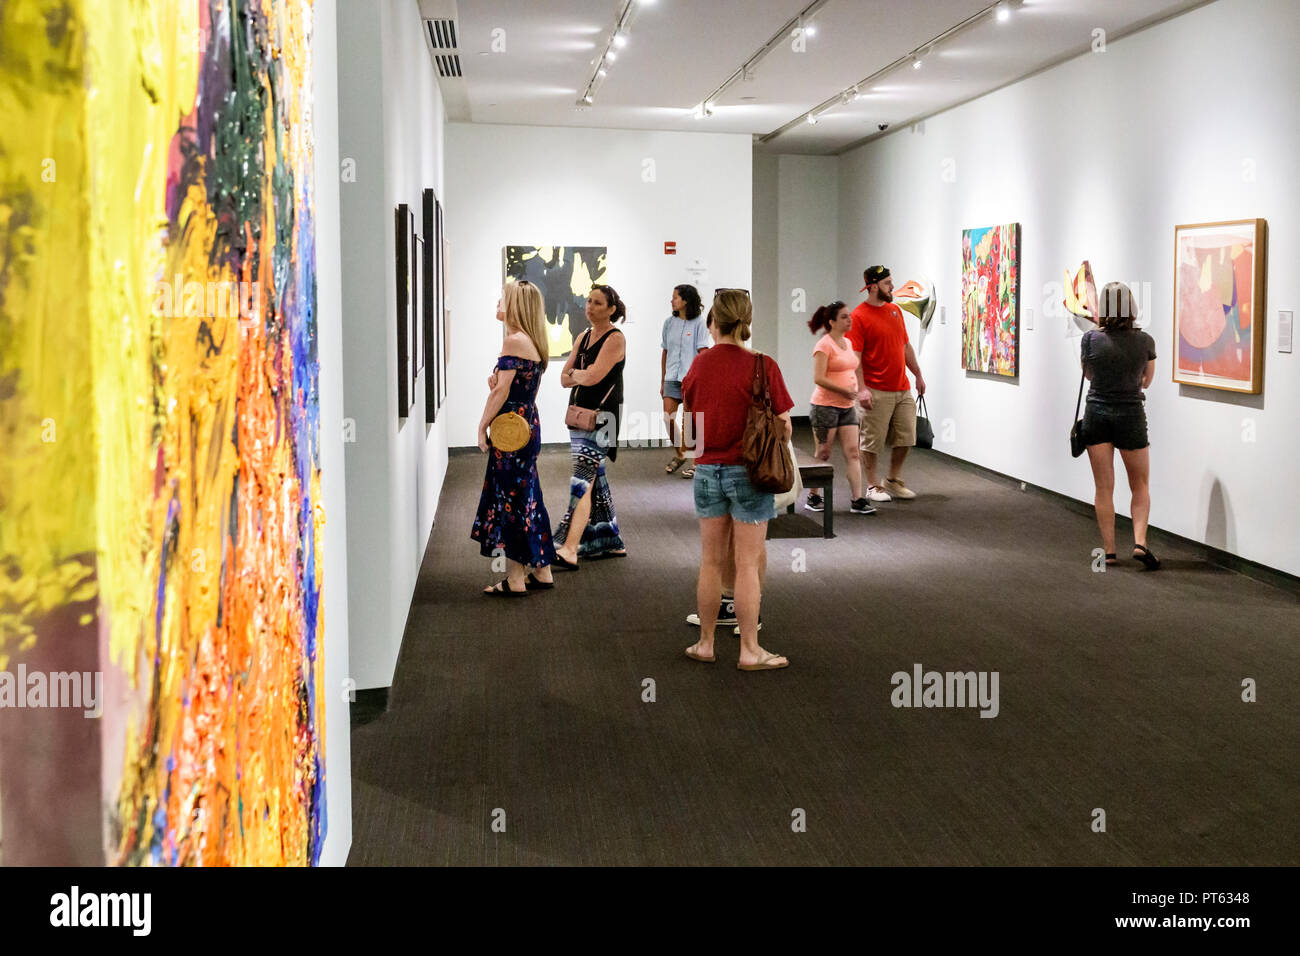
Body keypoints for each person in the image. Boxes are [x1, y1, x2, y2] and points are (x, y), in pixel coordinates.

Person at [682, 289, 791, 671]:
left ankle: (706, 643)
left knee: (711, 562)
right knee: (746, 564)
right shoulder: (763, 365)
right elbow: (784, 425)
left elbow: (691, 431)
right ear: (748, 319)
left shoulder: (698, 366)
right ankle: (749, 649)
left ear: (714, 318)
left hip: (707, 471)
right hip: (750, 473)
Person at [470, 280, 556, 595]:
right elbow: (509, 387)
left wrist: (482, 425)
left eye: (502, 299)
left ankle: (516, 577)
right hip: (526, 423)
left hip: (510, 431)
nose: (497, 304)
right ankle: (542, 569)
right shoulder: (532, 340)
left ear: (516, 305)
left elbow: (503, 392)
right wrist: (496, 384)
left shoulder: (514, 340)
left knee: (509, 500)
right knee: (528, 495)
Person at [1081, 282, 1159, 569]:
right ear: (1131, 305)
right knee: (1139, 485)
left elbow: (1089, 374)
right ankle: (1140, 543)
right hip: (1131, 416)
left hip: (1097, 414)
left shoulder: (1090, 340)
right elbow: (1146, 381)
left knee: (1104, 487)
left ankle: (1109, 551)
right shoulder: (1146, 341)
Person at [552, 284, 628, 568]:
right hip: (579, 416)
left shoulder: (615, 338)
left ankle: (570, 547)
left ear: (611, 309)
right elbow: (563, 377)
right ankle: (609, 540)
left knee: (582, 480)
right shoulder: (583, 336)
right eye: (588, 301)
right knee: (594, 478)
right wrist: (578, 375)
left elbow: (595, 377)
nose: (590, 306)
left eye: (597, 303)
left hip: (603, 418)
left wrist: (577, 374)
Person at [849, 265, 927, 502]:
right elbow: (855, 357)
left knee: (906, 436)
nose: (892, 287)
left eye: (891, 282)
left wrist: (918, 375)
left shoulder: (895, 311)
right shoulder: (858, 316)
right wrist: (861, 389)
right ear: (872, 287)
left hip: (901, 388)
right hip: (874, 389)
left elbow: (905, 346)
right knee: (871, 441)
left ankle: (892, 480)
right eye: (887, 283)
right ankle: (873, 485)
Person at [805, 300, 872, 515]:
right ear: (831, 322)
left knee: (853, 452)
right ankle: (813, 495)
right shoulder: (824, 345)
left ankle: (858, 499)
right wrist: (844, 390)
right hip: (825, 407)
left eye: (849, 316)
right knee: (823, 452)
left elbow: (853, 369)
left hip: (847, 407)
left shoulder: (848, 343)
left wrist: (855, 391)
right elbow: (819, 378)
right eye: (844, 317)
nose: (849, 319)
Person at [661, 284, 709, 479]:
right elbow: (665, 351)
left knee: (691, 423)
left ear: (686, 300)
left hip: (691, 379)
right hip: (672, 377)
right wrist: (662, 379)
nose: (671, 301)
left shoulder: (699, 323)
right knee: (668, 417)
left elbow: (703, 352)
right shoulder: (668, 323)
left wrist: (701, 379)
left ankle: (696, 463)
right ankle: (681, 454)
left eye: (675, 297)